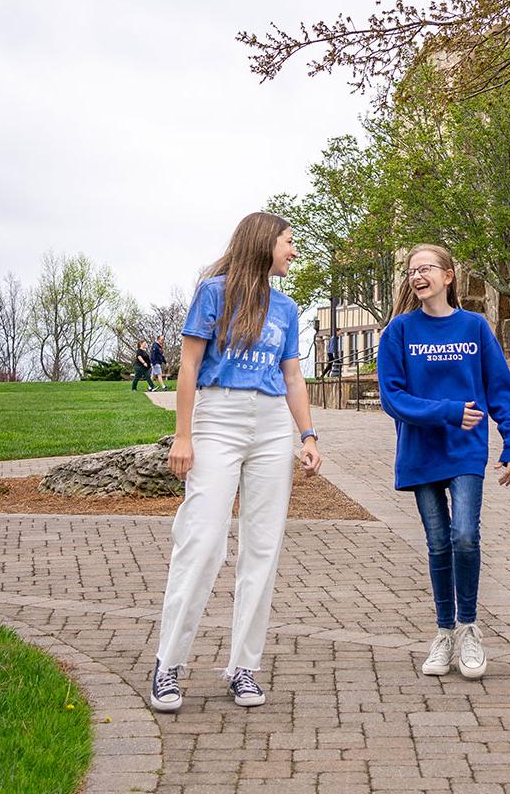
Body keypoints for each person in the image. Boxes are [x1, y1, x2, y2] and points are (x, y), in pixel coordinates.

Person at [147, 212, 321, 713]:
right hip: (218, 416)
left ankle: (244, 666)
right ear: (266, 242)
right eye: (290, 242)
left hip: (270, 425)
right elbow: (188, 364)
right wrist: (183, 434)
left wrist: (307, 435)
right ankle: (169, 662)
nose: (294, 251)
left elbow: (292, 377)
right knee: (202, 542)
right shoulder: (214, 292)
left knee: (262, 548)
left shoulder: (286, 308)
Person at [376, 244, 510, 681]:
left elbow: (500, 390)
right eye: (410, 271)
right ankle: (443, 633)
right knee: (438, 542)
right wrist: (447, 411)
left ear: (448, 276)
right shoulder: (398, 332)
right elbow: (393, 397)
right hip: (420, 451)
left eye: (426, 269)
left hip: (465, 450)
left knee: (464, 536)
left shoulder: (474, 327)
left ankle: (469, 628)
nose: (417, 276)